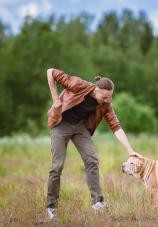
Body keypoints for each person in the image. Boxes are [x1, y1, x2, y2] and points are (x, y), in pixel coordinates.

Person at [46, 68, 141, 219]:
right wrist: (55, 98)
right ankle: (51, 207)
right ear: (96, 90)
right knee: (57, 166)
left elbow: (115, 126)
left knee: (92, 160)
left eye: (109, 98)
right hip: (61, 123)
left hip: (80, 128)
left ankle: (97, 202)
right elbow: (50, 71)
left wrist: (130, 150)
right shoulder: (77, 84)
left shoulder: (106, 104)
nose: (106, 100)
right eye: (104, 97)